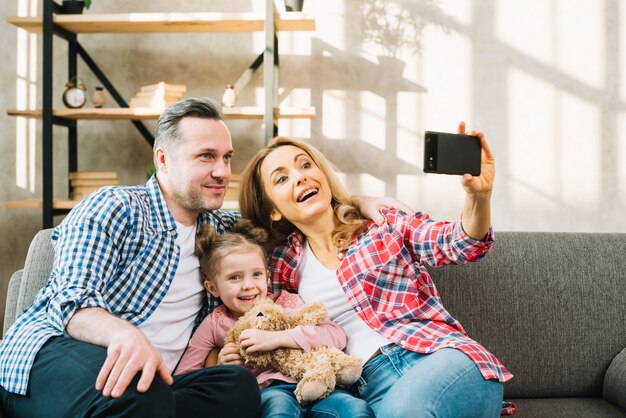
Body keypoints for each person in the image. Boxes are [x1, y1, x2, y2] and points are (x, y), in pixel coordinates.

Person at [0, 97, 407, 418]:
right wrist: (125, 335)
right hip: (56, 353)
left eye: (227, 157)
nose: (222, 171)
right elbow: (71, 299)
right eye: (206, 156)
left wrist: (355, 201)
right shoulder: (114, 207)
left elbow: (293, 213)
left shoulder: (222, 226)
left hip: (160, 383)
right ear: (163, 159)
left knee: (238, 387)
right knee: (139, 392)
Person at [238, 126, 515, 418]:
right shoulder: (280, 263)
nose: (300, 176)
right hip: (370, 390)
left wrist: (479, 198)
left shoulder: (382, 224)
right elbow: (249, 304)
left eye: (306, 165)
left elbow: (461, 243)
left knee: (407, 411)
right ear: (272, 210)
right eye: (282, 178)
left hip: (436, 357)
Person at [176, 219, 375, 417]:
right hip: (270, 391)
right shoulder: (214, 322)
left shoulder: (286, 302)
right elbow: (184, 376)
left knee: (356, 409)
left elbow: (336, 335)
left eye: (256, 274)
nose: (248, 285)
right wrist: (219, 368)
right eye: (235, 277)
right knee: (278, 411)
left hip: (319, 383)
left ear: (267, 277)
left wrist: (279, 338)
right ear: (213, 288)